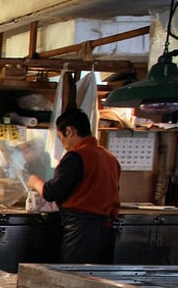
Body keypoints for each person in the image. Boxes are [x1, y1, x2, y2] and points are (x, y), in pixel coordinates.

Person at [28, 109, 120, 264]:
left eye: (60, 138)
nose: (63, 145)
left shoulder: (76, 156)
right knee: (100, 281)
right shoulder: (110, 157)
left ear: (69, 131)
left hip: (82, 232)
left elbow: (51, 192)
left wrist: (35, 181)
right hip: (107, 231)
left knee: (76, 280)